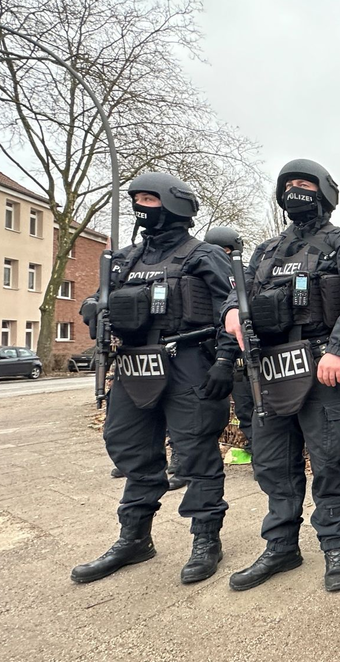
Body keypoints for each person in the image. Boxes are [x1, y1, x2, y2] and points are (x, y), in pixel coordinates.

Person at [222, 159, 340, 593]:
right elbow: (238, 294)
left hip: (320, 366)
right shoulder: (265, 252)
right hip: (271, 370)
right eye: (289, 183)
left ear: (324, 192)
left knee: (328, 460)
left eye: (305, 183)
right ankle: (281, 547)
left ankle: (335, 547)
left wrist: (338, 350)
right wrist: (231, 312)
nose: (296, 190)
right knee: (273, 464)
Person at [71, 172, 237, 585]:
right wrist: (92, 308)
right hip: (134, 365)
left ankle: (206, 539)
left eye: (149, 199)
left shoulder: (204, 256)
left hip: (188, 362)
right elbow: (97, 297)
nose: (140, 206)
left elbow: (233, 310)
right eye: (137, 199)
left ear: (173, 204)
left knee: (196, 453)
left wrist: (224, 361)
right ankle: (134, 539)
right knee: (131, 449)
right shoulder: (125, 259)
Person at [204, 226, 255, 464]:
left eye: (222, 251)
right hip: (213, 351)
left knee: (251, 408)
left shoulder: (245, 276)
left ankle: (260, 454)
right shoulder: (204, 273)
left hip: (240, 352)